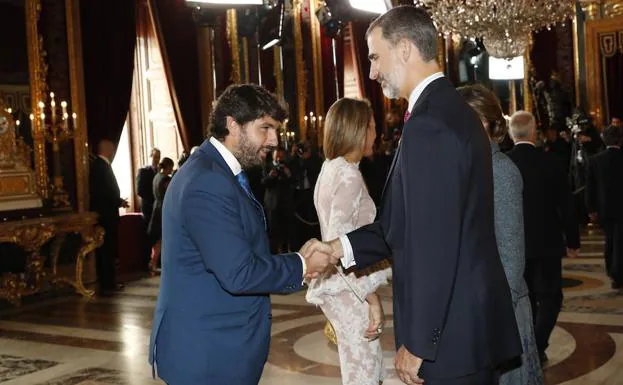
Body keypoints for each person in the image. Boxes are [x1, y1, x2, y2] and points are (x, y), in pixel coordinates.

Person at [302, 6, 521, 384]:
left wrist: (420, 343)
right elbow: (397, 225)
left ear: (403, 49)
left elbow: (435, 244)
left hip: (449, 336)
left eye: (374, 56)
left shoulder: (430, 123)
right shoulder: (449, 108)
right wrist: (337, 249)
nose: (371, 71)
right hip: (463, 326)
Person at [148, 84, 333, 385]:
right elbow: (239, 272)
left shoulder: (217, 171)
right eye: (265, 129)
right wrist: (302, 264)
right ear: (232, 124)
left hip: (219, 347)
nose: (274, 140)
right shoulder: (207, 180)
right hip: (208, 356)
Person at [458, 85, 543, 385]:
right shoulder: (468, 167)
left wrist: (488, 318)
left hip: (499, 311)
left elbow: (511, 258)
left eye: (470, 118)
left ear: (489, 123)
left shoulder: (501, 170)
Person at [306, 98, 391, 385]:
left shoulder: (330, 168)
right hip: (349, 289)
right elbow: (339, 246)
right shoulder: (349, 176)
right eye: (372, 127)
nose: (376, 135)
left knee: (361, 368)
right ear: (358, 130)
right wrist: (372, 299)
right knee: (363, 373)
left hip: (342, 287)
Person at [507, 111, 580, 364]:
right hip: (548, 243)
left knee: (523, 298)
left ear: (511, 133)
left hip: (514, 245)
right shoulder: (552, 162)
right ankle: (537, 345)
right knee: (550, 297)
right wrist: (573, 241)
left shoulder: (504, 163)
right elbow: (566, 206)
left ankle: (526, 347)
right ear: (534, 131)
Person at [586, 125, 623, 289]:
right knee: (620, 240)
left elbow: (590, 188)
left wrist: (591, 209)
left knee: (609, 239)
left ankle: (612, 271)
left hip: (605, 207)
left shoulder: (595, 160)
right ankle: (618, 273)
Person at [90, 139, 128, 294]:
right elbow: (104, 192)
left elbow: (108, 191)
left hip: (108, 213)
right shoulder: (100, 167)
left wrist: (119, 201)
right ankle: (108, 283)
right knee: (107, 251)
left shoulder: (102, 166)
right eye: (112, 149)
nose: (113, 152)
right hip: (106, 216)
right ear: (108, 150)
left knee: (109, 250)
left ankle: (109, 282)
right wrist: (116, 201)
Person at [147, 157, 174, 274]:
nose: (171, 170)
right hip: (164, 210)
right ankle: (154, 263)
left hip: (156, 208)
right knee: (162, 238)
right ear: (167, 167)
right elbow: (170, 195)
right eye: (171, 168)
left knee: (158, 238)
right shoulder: (166, 179)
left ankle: (153, 262)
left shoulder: (156, 177)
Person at [136, 148, 161, 226]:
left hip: (158, 208)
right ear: (150, 157)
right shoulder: (143, 171)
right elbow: (140, 190)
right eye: (155, 157)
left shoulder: (160, 171)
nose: (157, 159)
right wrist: (153, 200)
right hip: (148, 208)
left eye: (158, 157)